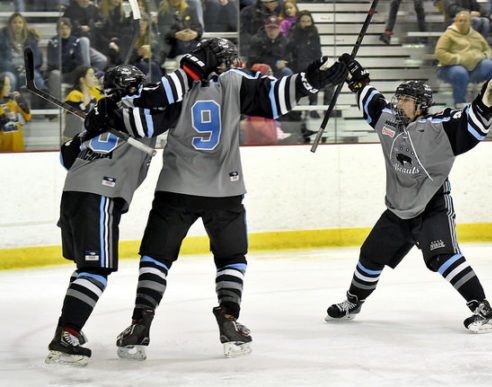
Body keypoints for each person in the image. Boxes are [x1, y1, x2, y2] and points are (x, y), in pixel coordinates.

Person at [82, 38, 346, 360]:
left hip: (176, 188)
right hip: (226, 190)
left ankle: (140, 323)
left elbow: (145, 120)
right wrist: (310, 80)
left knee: (156, 258)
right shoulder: (235, 81)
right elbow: (273, 98)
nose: (233, 65)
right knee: (231, 259)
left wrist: (106, 114)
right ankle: (230, 321)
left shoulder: (179, 83)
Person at [325, 53, 492, 334]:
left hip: (432, 204)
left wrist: (483, 108)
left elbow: (467, 124)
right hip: (398, 207)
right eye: (399, 98)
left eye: (406, 100)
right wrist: (357, 79)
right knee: (370, 255)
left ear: (421, 105)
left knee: (444, 257)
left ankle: (484, 310)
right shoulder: (387, 122)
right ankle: (354, 302)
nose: (399, 104)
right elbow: (371, 101)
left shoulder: (437, 128)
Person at [44, 65, 156, 366]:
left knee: (85, 268)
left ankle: (66, 330)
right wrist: (94, 126)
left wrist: (89, 130)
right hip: (101, 194)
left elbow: (67, 157)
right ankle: (67, 335)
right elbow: (164, 109)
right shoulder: (140, 111)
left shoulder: (101, 111)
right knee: (96, 270)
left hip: (74, 193)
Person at [435, 10, 492, 107]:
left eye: (465, 21)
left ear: (470, 22)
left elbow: (488, 50)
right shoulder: (448, 35)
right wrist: (458, 59)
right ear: (455, 22)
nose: (462, 23)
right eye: (460, 20)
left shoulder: (475, 35)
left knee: (490, 66)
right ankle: (460, 105)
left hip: (473, 69)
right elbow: (439, 53)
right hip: (449, 68)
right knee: (460, 72)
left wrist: (483, 56)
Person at [0, 12, 45, 92]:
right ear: (10, 24)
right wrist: (13, 67)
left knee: (35, 77)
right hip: (9, 70)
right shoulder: (2, 37)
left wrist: (28, 67)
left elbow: (38, 58)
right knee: (10, 79)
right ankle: (10, 103)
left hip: (27, 70)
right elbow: (1, 60)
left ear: (24, 24)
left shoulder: (31, 38)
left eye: (20, 22)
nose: (17, 25)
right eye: (15, 22)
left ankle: (41, 102)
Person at [47, 17, 88, 100]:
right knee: (55, 74)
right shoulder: (53, 42)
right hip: (59, 73)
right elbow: (52, 61)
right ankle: (56, 105)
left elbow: (79, 60)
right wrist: (69, 58)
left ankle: (81, 102)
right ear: (57, 29)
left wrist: (66, 61)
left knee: (83, 72)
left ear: (70, 29)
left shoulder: (75, 41)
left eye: (67, 28)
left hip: (72, 72)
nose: (65, 31)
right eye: (62, 28)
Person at [63, 0, 108, 72]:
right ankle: (86, 69)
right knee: (84, 40)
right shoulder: (70, 10)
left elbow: (102, 22)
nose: (85, 1)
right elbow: (66, 24)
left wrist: (91, 26)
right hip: (76, 43)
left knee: (102, 60)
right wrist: (79, 27)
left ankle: (88, 75)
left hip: (92, 41)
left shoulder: (94, 9)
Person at [63, 66, 103, 141]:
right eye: (91, 75)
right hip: (72, 139)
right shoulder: (74, 95)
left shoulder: (93, 95)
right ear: (82, 80)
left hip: (85, 137)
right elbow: (81, 115)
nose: (94, 78)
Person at [0, 73, 30, 151]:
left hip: (18, 150)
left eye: (9, 85)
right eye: (6, 85)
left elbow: (27, 117)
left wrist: (22, 101)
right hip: (3, 152)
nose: (9, 88)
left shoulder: (14, 102)